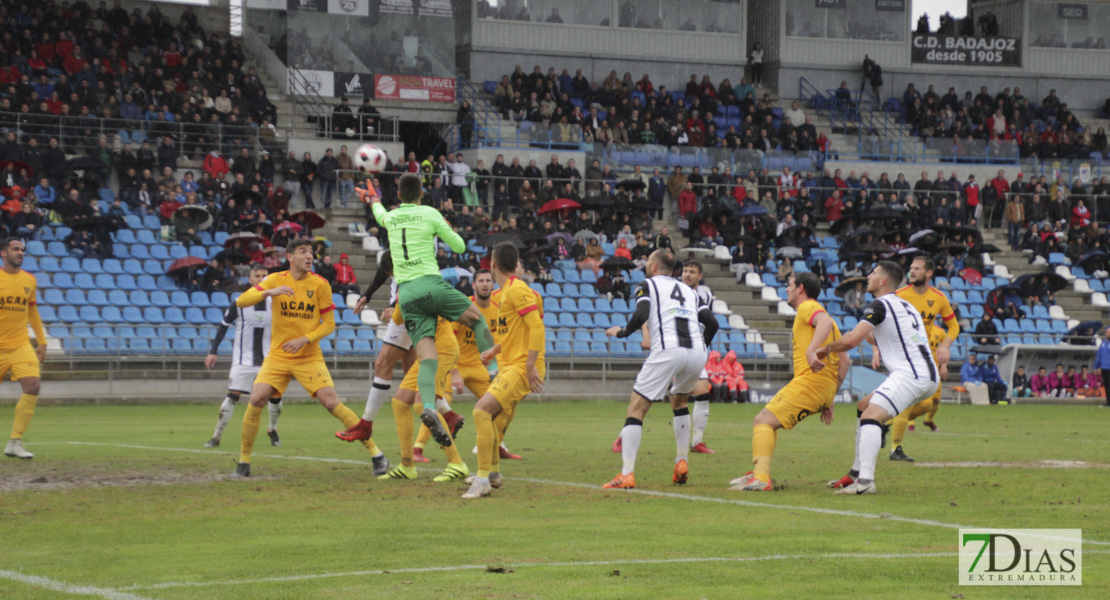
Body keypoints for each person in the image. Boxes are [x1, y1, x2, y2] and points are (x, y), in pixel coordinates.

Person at [356, 174, 495, 447]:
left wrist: (372, 199)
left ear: (399, 195)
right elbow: (459, 246)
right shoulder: (430, 213)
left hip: (406, 296)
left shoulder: (392, 217)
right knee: (477, 320)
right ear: (421, 194)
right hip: (431, 284)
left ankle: (429, 406)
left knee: (427, 356)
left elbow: (379, 211)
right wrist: (444, 225)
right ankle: (493, 367)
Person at [229, 239, 383, 477]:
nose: (309, 256)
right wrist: (268, 292)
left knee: (331, 402)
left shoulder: (320, 284)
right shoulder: (275, 280)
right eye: (303, 252)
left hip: (308, 356)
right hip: (278, 356)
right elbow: (240, 301)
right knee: (257, 398)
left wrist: (305, 339)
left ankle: (376, 454)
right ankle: (243, 462)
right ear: (290, 257)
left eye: (310, 252)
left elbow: (329, 325)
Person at [601, 250, 718, 490]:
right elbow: (713, 323)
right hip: (696, 353)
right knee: (679, 402)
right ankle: (681, 461)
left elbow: (642, 313)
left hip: (668, 350)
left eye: (647, 261)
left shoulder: (647, 285)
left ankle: (626, 474)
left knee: (636, 408)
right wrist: (701, 347)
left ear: (654, 265)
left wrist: (622, 332)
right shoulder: (689, 291)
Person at [820, 261, 939, 495]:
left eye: (873, 273)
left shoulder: (879, 304)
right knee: (864, 405)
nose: (868, 277)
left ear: (883, 281)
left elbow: (852, 341)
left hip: (910, 374)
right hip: (926, 374)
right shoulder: (906, 306)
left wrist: (823, 349)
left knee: (871, 415)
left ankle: (865, 482)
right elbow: (896, 338)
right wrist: (875, 345)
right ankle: (855, 473)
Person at [729, 273, 847, 492]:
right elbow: (845, 360)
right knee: (768, 420)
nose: (786, 289)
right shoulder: (827, 322)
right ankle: (758, 473)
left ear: (800, 288)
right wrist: (831, 394)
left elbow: (824, 320)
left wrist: (811, 351)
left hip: (810, 383)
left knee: (762, 420)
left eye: (789, 285)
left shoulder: (808, 308)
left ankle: (762, 478)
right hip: (822, 387)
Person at [462, 242, 547, 499]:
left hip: (522, 366)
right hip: (511, 363)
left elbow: (537, 328)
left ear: (493, 265)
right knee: (494, 414)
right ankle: (493, 473)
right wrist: (495, 350)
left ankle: (482, 480)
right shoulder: (506, 293)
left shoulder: (518, 290)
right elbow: (515, 332)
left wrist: (531, 366)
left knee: (481, 411)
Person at [376, 305, 470, 482]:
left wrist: (393, 306)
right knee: (400, 402)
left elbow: (396, 318)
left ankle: (457, 463)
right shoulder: (420, 287)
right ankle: (407, 465)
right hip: (427, 352)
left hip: (441, 351)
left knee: (422, 405)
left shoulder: (410, 291)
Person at [203, 265, 284, 449]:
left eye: (265, 276)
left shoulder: (277, 303)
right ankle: (216, 437)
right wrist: (213, 351)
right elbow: (223, 326)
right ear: (250, 279)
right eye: (258, 276)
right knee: (232, 396)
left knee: (276, 398)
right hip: (243, 361)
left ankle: (272, 429)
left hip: (269, 360)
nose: (262, 279)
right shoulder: (239, 302)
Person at [890, 256, 959, 431]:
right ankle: (894, 446)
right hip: (901, 355)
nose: (912, 271)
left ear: (929, 273)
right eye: (911, 268)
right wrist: (877, 347)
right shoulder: (899, 296)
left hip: (922, 354)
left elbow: (954, 326)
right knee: (913, 400)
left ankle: (883, 423)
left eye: (917, 268)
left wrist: (945, 345)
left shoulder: (939, 298)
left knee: (927, 403)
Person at [0, 239, 46, 459]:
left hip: (20, 344)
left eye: (22, 250)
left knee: (33, 385)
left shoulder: (30, 280)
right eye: (15, 249)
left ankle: (15, 442)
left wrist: (41, 340)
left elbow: (32, 312)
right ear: (3, 253)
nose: (20, 253)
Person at [887, 324, 947, 462]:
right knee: (909, 402)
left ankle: (887, 423)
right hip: (916, 372)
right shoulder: (916, 331)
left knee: (929, 404)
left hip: (934, 373)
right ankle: (896, 445)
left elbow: (945, 350)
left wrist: (943, 365)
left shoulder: (940, 332)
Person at [1096, 328, 1110, 406]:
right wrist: (1096, 366)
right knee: (1106, 385)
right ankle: (1108, 401)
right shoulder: (1103, 343)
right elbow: (1099, 355)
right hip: (1104, 367)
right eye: (1106, 332)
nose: (1107, 334)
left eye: (1108, 332)